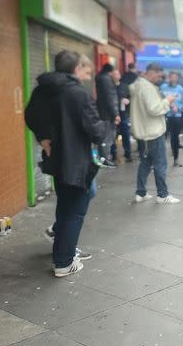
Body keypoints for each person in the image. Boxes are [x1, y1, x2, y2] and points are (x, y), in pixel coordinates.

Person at [24, 51, 105, 277]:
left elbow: (30, 115)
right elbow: (95, 130)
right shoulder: (77, 94)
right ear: (76, 68)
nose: (88, 77)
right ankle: (64, 261)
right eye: (86, 71)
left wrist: (43, 137)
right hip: (76, 160)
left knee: (68, 203)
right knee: (74, 211)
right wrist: (104, 129)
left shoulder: (43, 90)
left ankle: (62, 242)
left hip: (57, 160)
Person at [129, 62, 180, 204]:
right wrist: (167, 101)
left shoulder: (138, 84)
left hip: (143, 132)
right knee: (160, 163)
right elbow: (154, 109)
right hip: (153, 132)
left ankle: (140, 193)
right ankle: (162, 195)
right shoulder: (147, 87)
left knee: (145, 162)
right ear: (151, 72)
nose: (160, 78)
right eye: (159, 75)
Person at [95, 63, 120, 167]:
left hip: (103, 112)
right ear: (111, 71)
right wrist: (115, 114)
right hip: (107, 114)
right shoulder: (106, 80)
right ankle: (105, 160)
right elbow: (111, 99)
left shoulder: (100, 78)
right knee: (107, 138)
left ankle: (103, 158)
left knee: (105, 138)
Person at [161, 71, 183, 166]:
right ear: (169, 77)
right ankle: (159, 160)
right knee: (162, 138)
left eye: (175, 77)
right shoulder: (163, 87)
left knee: (175, 138)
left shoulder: (180, 89)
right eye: (171, 77)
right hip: (164, 115)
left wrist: (178, 108)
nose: (173, 79)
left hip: (176, 116)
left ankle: (176, 159)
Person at [117, 64, 138, 162]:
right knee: (128, 130)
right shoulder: (136, 79)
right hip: (130, 109)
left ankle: (119, 153)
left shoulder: (122, 80)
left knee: (121, 131)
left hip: (120, 110)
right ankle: (130, 152)